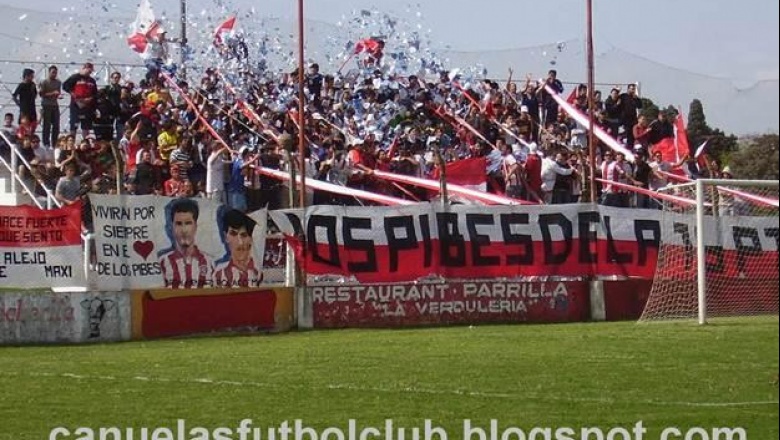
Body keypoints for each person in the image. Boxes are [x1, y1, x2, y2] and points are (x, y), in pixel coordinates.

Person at [157, 198, 213, 289]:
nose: (184, 230)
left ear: (195, 226)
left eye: (188, 223)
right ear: (172, 227)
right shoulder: (162, 263)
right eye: (178, 224)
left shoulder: (210, 263)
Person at [213, 208, 262, 288]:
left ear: (251, 238)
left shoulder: (261, 271)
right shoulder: (219, 274)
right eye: (233, 234)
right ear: (226, 237)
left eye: (244, 235)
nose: (240, 242)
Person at [62, 62, 98, 139]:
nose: (90, 72)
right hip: (76, 106)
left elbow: (95, 93)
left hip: (87, 107)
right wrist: (72, 93)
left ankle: (86, 143)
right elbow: (65, 85)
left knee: (86, 127)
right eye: (88, 70)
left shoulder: (92, 80)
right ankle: (71, 143)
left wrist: (91, 99)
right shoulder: (75, 77)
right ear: (84, 68)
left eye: (91, 71)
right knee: (74, 126)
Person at [39, 65, 62, 148]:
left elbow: (58, 92)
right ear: (49, 72)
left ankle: (55, 143)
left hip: (55, 105)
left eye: (55, 73)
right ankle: (46, 143)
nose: (54, 74)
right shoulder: (44, 82)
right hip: (46, 105)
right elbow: (41, 94)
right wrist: (52, 93)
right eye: (53, 72)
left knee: (56, 125)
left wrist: (58, 95)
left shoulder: (58, 82)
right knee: (47, 125)